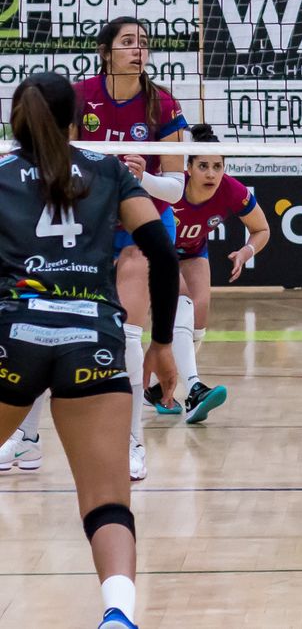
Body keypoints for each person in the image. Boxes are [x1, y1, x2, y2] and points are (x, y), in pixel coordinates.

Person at [0, 70, 181, 629]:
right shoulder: (108, 172)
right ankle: (118, 614)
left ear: (16, 120)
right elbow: (162, 254)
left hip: (15, 335)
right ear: (77, 119)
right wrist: (163, 344)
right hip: (92, 339)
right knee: (107, 501)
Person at [0, 19, 187, 482]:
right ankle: (27, 439)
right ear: (106, 52)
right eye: (128, 43)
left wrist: (138, 177)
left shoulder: (161, 102)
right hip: (84, 218)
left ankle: (130, 445)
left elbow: (176, 189)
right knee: (43, 316)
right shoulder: (79, 97)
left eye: (144, 43)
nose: (138, 50)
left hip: (139, 218)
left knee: (123, 332)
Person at [146, 124, 270, 425]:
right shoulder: (169, 189)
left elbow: (262, 229)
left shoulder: (231, 190)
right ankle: (194, 388)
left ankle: (157, 389)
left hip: (191, 251)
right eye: (203, 166)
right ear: (188, 167)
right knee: (183, 303)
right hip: (157, 251)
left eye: (217, 166)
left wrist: (245, 252)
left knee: (196, 322)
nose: (211, 174)